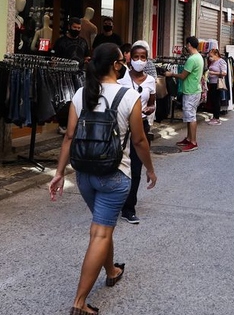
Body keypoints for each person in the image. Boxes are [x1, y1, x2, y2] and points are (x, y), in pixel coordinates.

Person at [49, 43, 157, 315]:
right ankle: (79, 302)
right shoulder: (128, 96)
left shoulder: (81, 94)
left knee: (102, 227)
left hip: (84, 175)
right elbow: (140, 140)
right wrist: (151, 170)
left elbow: (69, 137)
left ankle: (111, 270)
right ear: (117, 65)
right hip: (114, 175)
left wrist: (60, 173)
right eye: (125, 60)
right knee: (100, 232)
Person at [117, 40, 157, 224]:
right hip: (121, 126)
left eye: (143, 57)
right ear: (129, 59)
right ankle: (114, 200)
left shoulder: (150, 81)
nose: (139, 60)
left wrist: (150, 108)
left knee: (136, 168)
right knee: (117, 164)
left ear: (147, 60)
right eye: (136, 57)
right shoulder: (121, 78)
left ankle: (129, 207)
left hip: (141, 126)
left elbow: (152, 102)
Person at [164, 36, 203, 152]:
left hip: (191, 91)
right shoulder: (199, 57)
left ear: (189, 45)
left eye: (186, 44)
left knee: (191, 116)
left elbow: (183, 76)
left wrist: (171, 74)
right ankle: (188, 138)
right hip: (194, 90)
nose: (186, 47)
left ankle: (193, 142)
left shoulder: (192, 59)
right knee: (188, 116)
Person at [53, 17, 91, 134]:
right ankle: (63, 124)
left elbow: (86, 57)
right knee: (65, 100)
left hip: (79, 75)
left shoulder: (83, 42)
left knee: (78, 99)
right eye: (75, 27)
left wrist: (86, 62)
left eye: (79, 28)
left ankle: (77, 122)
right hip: (63, 75)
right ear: (69, 27)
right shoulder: (61, 42)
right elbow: (54, 59)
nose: (77, 30)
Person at [205, 48, 227, 126]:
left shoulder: (221, 61)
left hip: (217, 83)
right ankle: (214, 116)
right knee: (213, 100)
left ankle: (217, 118)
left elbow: (224, 73)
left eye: (211, 55)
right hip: (211, 83)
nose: (210, 57)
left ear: (216, 54)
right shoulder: (213, 62)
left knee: (216, 100)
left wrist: (213, 73)